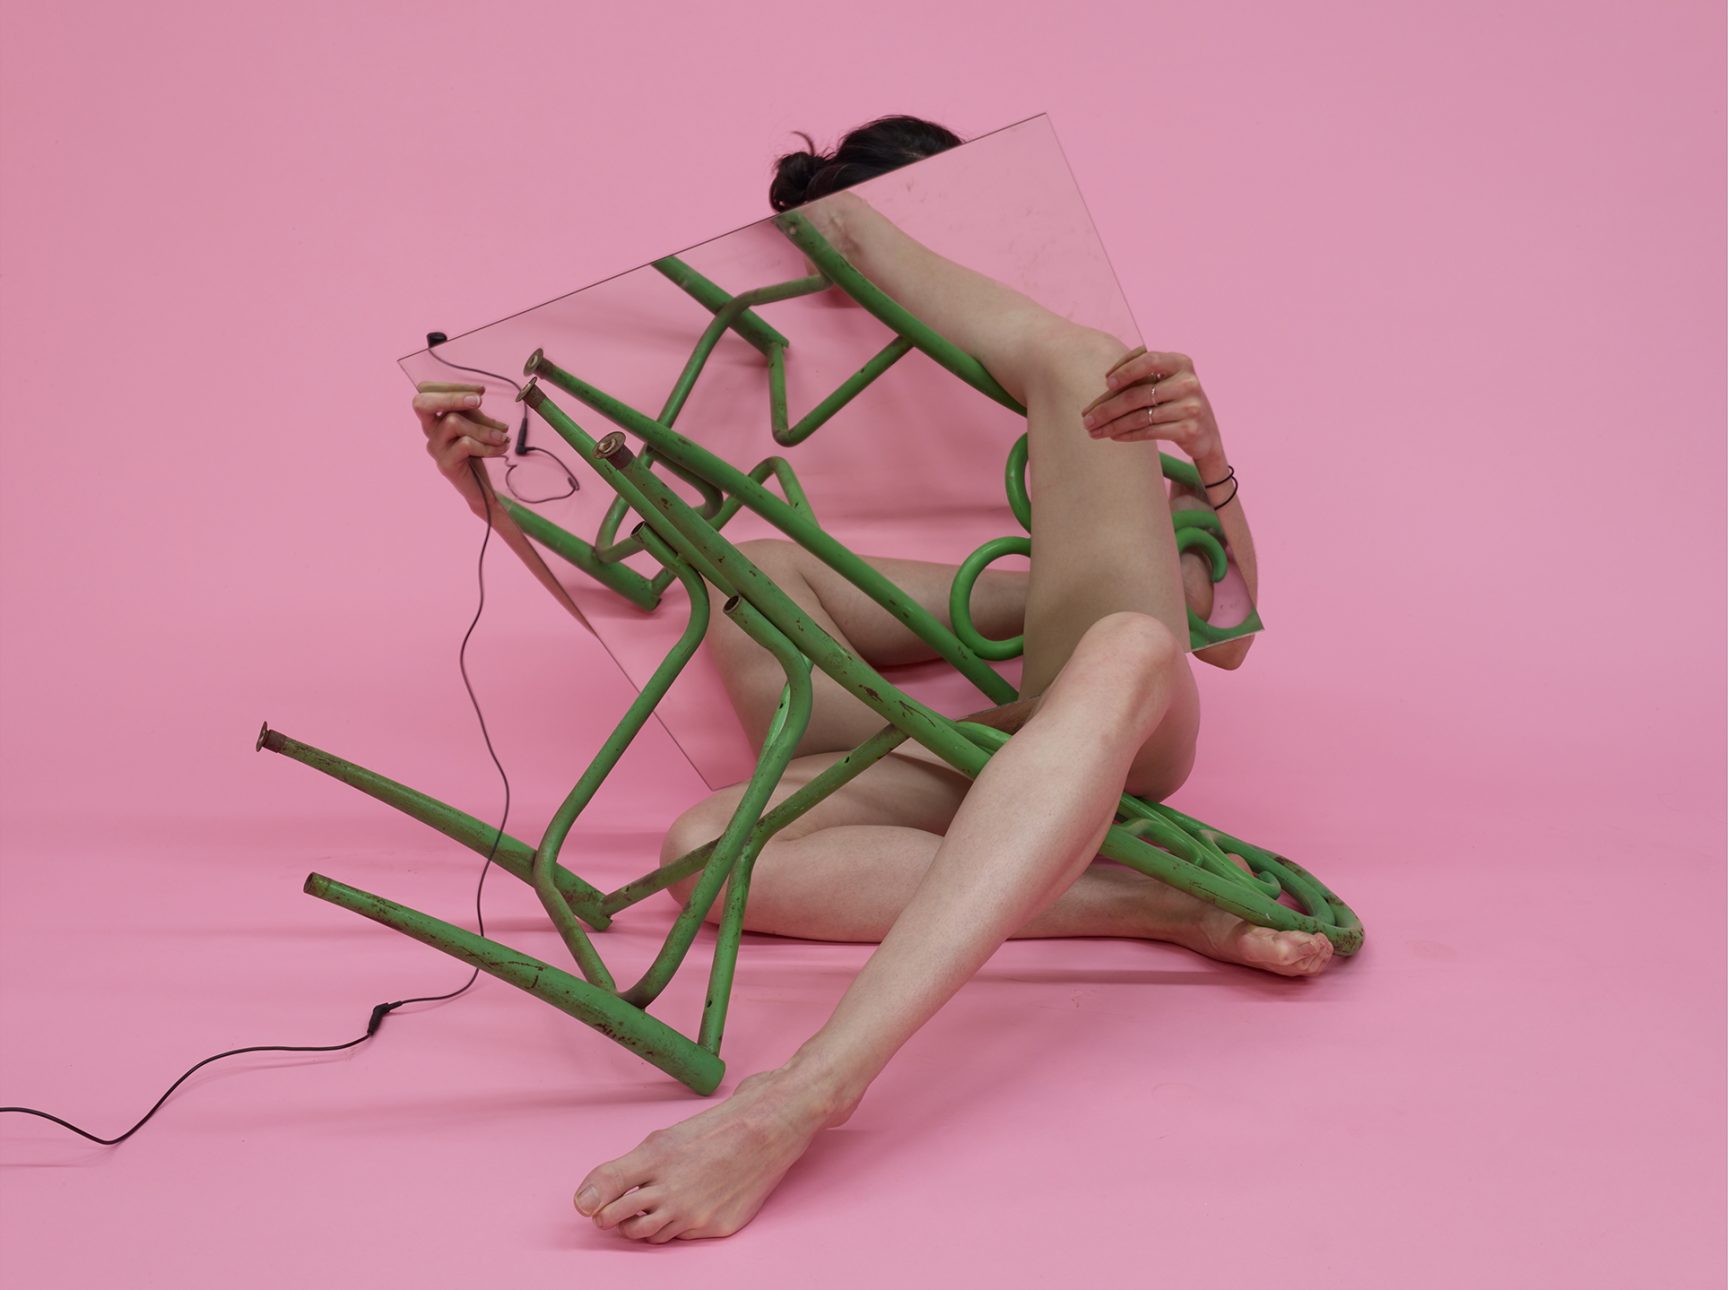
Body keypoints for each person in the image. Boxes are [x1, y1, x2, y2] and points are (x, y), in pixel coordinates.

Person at [410, 113, 1334, 1244]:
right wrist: (492, 500)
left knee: (1131, 630)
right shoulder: (815, 401)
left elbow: (1224, 640)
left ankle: (805, 1092)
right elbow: (662, 605)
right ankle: (1153, 901)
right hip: (976, 734)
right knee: (706, 844)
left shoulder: (1088, 388)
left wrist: (1211, 462)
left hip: (1109, 698)